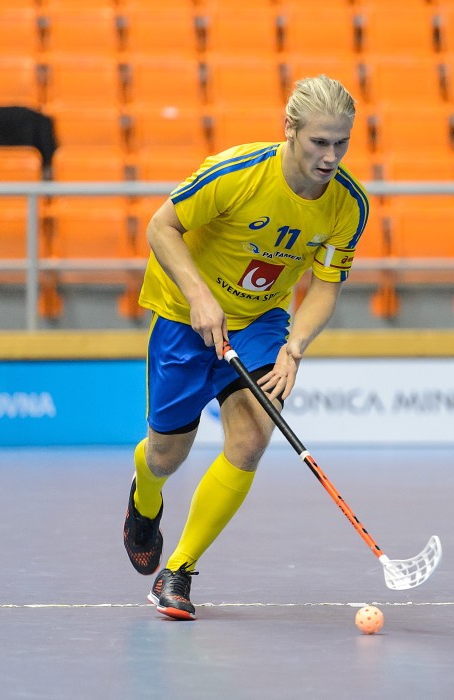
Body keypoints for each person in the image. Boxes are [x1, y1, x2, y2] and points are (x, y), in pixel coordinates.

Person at [122, 75, 369, 620]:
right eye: (319, 143)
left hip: (259, 321)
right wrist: (199, 298)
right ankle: (144, 496)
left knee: (254, 434)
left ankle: (179, 570)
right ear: (290, 130)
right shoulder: (237, 174)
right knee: (166, 455)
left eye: (342, 143)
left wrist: (296, 346)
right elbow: (162, 227)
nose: (331, 157)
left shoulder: (347, 206)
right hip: (185, 317)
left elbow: (325, 288)